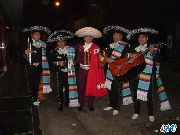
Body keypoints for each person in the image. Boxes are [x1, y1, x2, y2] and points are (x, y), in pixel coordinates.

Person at [126, 27, 171, 122]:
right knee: (136, 93)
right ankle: (136, 111)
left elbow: (159, 59)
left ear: (147, 38)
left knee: (149, 95)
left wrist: (152, 52)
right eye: (139, 37)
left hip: (147, 75)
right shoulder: (134, 47)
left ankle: (150, 113)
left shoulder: (152, 47)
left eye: (143, 37)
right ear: (138, 39)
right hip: (136, 74)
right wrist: (130, 55)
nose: (141, 38)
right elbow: (125, 55)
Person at [74, 27, 108, 111]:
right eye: (86, 37)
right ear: (84, 38)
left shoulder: (96, 47)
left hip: (91, 71)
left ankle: (90, 105)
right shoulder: (80, 46)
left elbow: (100, 58)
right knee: (81, 87)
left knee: (92, 86)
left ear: (92, 38)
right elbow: (71, 47)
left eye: (90, 37)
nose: (88, 38)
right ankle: (81, 104)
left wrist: (102, 57)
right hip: (82, 70)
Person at [102, 25, 133, 115]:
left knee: (117, 89)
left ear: (121, 36)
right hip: (109, 70)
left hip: (119, 70)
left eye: (117, 35)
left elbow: (126, 59)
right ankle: (112, 104)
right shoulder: (110, 45)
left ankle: (117, 107)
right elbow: (104, 54)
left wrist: (113, 61)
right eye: (114, 35)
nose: (115, 36)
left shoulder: (126, 46)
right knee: (110, 88)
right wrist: (104, 58)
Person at [47, 30, 80, 111]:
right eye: (58, 42)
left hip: (69, 73)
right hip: (59, 73)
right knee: (60, 89)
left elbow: (77, 60)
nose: (60, 43)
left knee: (69, 88)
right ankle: (60, 104)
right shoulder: (54, 52)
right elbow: (50, 62)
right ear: (57, 43)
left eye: (62, 42)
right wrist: (57, 63)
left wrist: (74, 62)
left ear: (65, 42)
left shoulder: (71, 50)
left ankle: (67, 102)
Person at [22, 25, 51, 106]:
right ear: (31, 35)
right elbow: (22, 54)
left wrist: (53, 52)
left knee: (37, 82)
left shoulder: (42, 44)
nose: (37, 36)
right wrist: (25, 52)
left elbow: (46, 54)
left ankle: (35, 97)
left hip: (39, 66)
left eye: (39, 34)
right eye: (35, 34)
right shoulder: (27, 43)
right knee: (31, 83)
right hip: (30, 67)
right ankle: (33, 97)